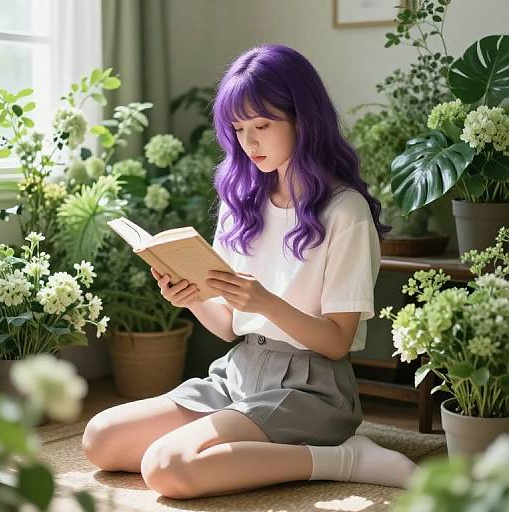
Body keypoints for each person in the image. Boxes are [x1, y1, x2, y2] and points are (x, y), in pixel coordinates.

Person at [82, 44, 416, 499]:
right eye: (238, 128)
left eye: (262, 125)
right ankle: (253, 444)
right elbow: (228, 327)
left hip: (311, 387)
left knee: (167, 466)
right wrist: (191, 296)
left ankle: (347, 457)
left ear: (304, 119)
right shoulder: (242, 203)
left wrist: (264, 301)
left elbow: (337, 341)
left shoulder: (345, 211)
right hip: (239, 371)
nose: (249, 142)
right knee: (100, 438)